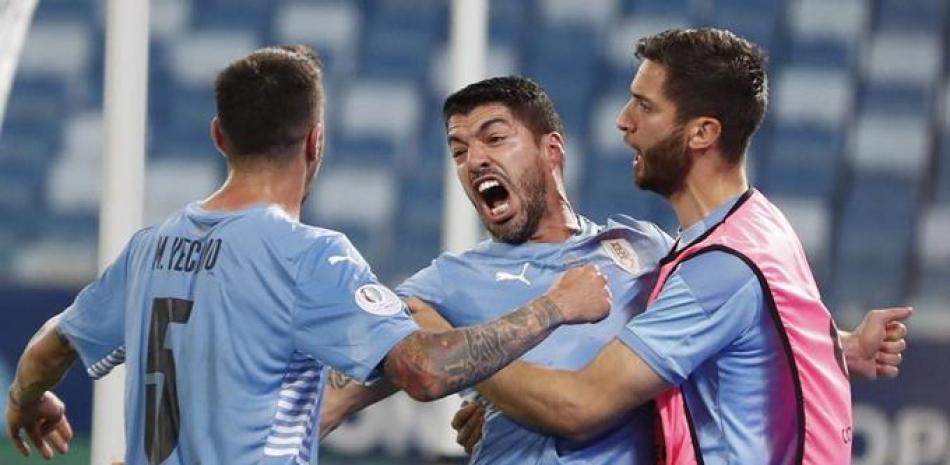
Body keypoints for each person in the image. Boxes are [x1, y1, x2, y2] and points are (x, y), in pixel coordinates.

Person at [3, 45, 614, 465]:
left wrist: (28, 401)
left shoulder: (148, 249)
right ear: (316, 140)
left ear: (219, 135)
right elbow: (423, 370)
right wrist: (555, 307)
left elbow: (51, 345)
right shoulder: (308, 257)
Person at [320, 75, 911, 464]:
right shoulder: (444, 285)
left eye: (494, 138)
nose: (474, 159)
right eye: (458, 149)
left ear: (553, 150)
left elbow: (722, 323)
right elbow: (337, 398)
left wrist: (841, 347)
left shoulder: (644, 245)